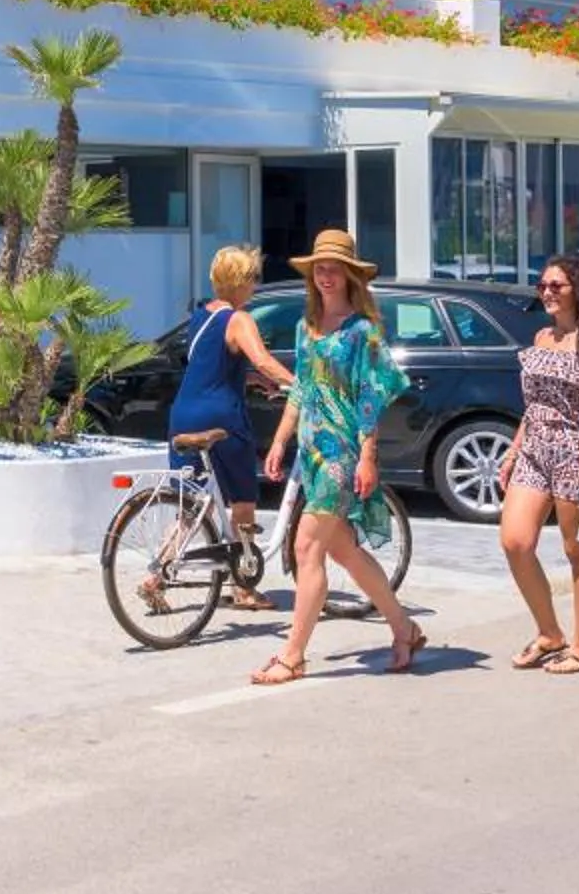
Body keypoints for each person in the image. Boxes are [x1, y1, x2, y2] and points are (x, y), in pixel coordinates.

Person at [254, 229, 426, 684]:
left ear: (350, 275)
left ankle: (293, 655)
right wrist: (279, 440)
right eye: (319, 269)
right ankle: (404, 628)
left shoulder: (362, 332)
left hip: (342, 452)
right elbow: (302, 390)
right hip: (312, 451)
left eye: (333, 268)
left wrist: (368, 456)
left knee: (306, 547)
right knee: (344, 550)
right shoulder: (304, 327)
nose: (325, 276)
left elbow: (371, 397)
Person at [147, 245, 294, 615]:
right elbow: (260, 356)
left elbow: (212, 366)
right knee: (242, 503)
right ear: (243, 282)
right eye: (253, 279)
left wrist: (251, 379)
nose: (255, 287)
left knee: (191, 506)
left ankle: (156, 576)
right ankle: (243, 587)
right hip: (222, 420)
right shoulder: (239, 319)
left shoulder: (201, 316)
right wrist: (298, 383)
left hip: (184, 414)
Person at [500, 252, 579, 676]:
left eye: (556, 286)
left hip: (572, 448)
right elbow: (534, 404)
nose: (546, 292)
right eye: (542, 286)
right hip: (535, 447)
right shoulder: (542, 337)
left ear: (577, 289)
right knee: (515, 541)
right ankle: (550, 633)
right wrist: (513, 449)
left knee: (577, 552)